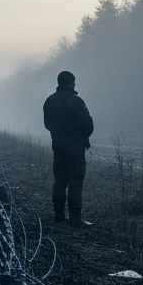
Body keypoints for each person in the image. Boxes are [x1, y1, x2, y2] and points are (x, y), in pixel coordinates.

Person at [43, 70, 94, 228]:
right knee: (75, 181)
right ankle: (75, 219)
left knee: (60, 181)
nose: (75, 84)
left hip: (57, 145)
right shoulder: (75, 101)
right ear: (71, 83)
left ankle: (59, 217)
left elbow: (47, 125)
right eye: (74, 81)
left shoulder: (49, 101)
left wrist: (58, 135)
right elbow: (87, 125)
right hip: (75, 146)